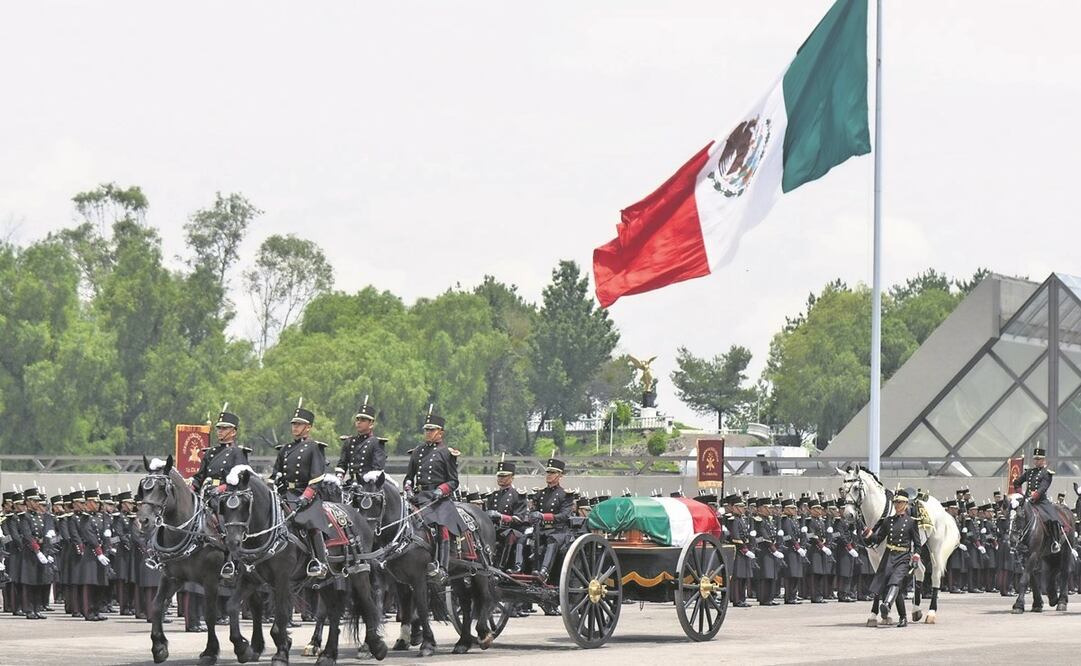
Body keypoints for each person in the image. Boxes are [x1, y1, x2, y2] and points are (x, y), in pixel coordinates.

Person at [271, 401, 332, 578]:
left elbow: (316, 478)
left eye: (298, 424)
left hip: (306, 496)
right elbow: (276, 473)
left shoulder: (314, 448)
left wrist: (306, 496)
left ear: (308, 427)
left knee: (311, 522)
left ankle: (319, 561)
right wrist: (276, 481)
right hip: (285, 495)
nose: (294, 427)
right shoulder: (285, 449)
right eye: (293, 424)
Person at [403, 408, 464, 583]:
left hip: (439, 499)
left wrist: (441, 491)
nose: (428, 433)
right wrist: (407, 487)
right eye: (426, 430)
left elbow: (453, 481)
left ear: (440, 433)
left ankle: (442, 567)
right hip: (419, 496)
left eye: (431, 430)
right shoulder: (418, 451)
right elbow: (409, 476)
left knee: (441, 525)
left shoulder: (447, 453)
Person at [866, 489, 921, 627]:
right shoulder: (887, 521)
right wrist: (867, 534)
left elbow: (918, 544)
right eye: (895, 502)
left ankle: (886, 604)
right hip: (889, 555)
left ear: (906, 504)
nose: (897, 505)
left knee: (895, 583)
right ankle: (903, 617)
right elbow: (878, 539)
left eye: (900, 502)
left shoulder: (911, 522)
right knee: (895, 588)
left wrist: (915, 557)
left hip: (903, 556)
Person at [528, 457, 574, 583]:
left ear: (560, 475)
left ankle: (544, 572)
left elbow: (564, 515)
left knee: (551, 540)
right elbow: (533, 511)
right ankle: (520, 570)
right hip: (541, 529)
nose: (548, 475)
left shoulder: (565, 495)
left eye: (552, 473)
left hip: (559, 531)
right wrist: (533, 515)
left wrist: (544, 516)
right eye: (547, 472)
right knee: (524, 539)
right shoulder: (540, 494)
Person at [1011, 446, 1064, 552]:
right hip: (1028, 501)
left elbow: (1043, 487)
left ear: (1044, 460)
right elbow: (1017, 482)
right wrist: (1021, 493)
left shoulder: (1047, 473)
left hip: (1041, 501)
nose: (1036, 461)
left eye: (1039, 459)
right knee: (1016, 516)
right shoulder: (1029, 472)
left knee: (1053, 518)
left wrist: (1035, 495)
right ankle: (1017, 540)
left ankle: (1055, 541)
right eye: (1035, 459)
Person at [191, 406, 251, 496]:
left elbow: (241, 479)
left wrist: (222, 488)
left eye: (224, 428)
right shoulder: (210, 452)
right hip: (207, 494)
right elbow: (199, 477)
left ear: (233, 432)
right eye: (219, 428)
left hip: (228, 496)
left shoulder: (238, 452)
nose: (220, 431)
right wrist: (189, 487)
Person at [484, 458, 528, 573]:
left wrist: (501, 516)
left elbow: (519, 519)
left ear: (512, 477)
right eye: (499, 476)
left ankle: (500, 567)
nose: (501, 479)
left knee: (510, 534)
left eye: (504, 476)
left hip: (513, 530)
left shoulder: (518, 495)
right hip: (495, 529)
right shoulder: (493, 496)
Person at [336, 397, 387, 485]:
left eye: (363, 420)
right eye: (357, 419)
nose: (359, 422)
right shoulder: (349, 441)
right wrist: (339, 478)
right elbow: (342, 464)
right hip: (351, 484)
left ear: (371, 424)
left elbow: (377, 469)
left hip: (368, 486)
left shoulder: (376, 443)